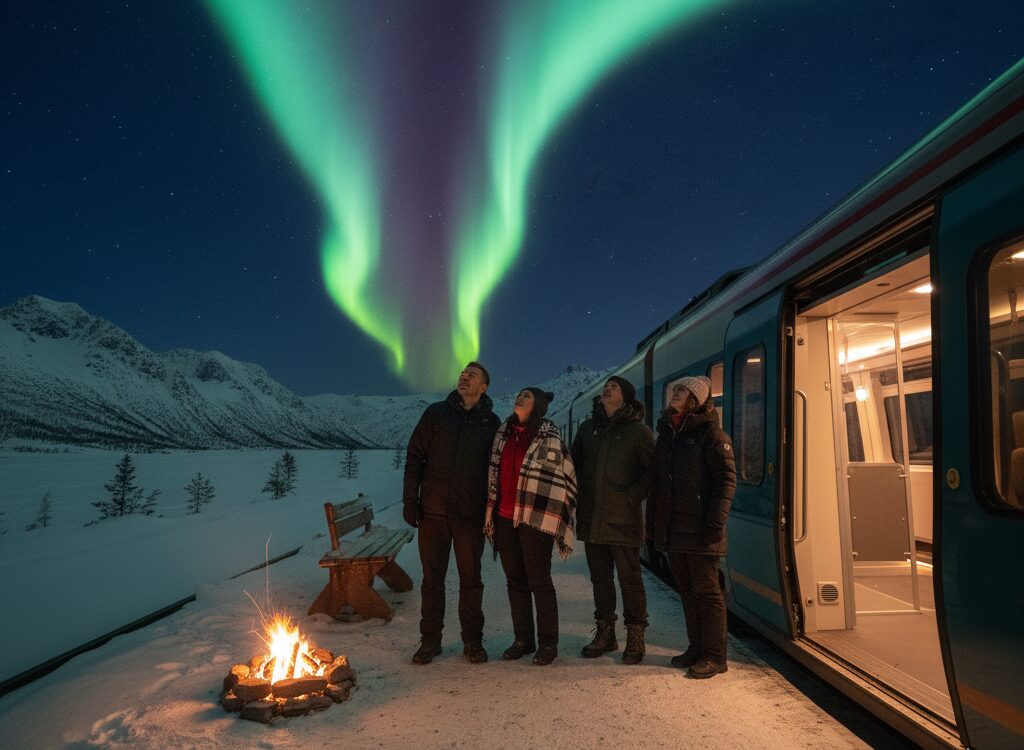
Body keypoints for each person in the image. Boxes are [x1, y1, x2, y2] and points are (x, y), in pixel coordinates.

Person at [403, 362, 501, 665]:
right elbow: (415, 456)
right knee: (432, 579)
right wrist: (411, 499)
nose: (464, 376)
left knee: (471, 580)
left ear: (483, 387)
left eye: (472, 375)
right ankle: (430, 641)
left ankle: (473, 641)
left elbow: (495, 471)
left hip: (470, 517)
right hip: (434, 513)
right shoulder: (436, 414)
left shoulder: (491, 422)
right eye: (463, 372)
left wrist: (493, 511)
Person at [648, 375, 736, 679]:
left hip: (700, 530)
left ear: (696, 399)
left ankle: (716, 656)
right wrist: (654, 526)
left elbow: (726, 481)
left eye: (682, 390)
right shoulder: (668, 433)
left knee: (708, 593)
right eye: (674, 388)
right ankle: (696, 649)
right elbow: (658, 484)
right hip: (674, 530)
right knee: (687, 591)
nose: (675, 392)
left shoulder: (712, 434)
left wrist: (715, 524)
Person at [484, 388, 577, 666]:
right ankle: (523, 639)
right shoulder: (503, 433)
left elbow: (563, 475)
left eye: (526, 396)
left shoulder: (549, 436)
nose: (519, 398)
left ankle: (549, 644)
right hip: (503, 516)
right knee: (515, 582)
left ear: (536, 405)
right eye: (518, 394)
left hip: (535, 517)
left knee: (539, 581)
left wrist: (558, 512)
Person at [570, 376, 655, 664]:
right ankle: (606, 634)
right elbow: (574, 467)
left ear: (626, 398)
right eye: (606, 386)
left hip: (624, 520)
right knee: (600, 580)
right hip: (592, 518)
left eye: (614, 387)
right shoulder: (586, 429)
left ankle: (635, 635)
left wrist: (631, 497)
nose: (607, 389)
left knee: (630, 581)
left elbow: (651, 473)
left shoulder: (639, 432)